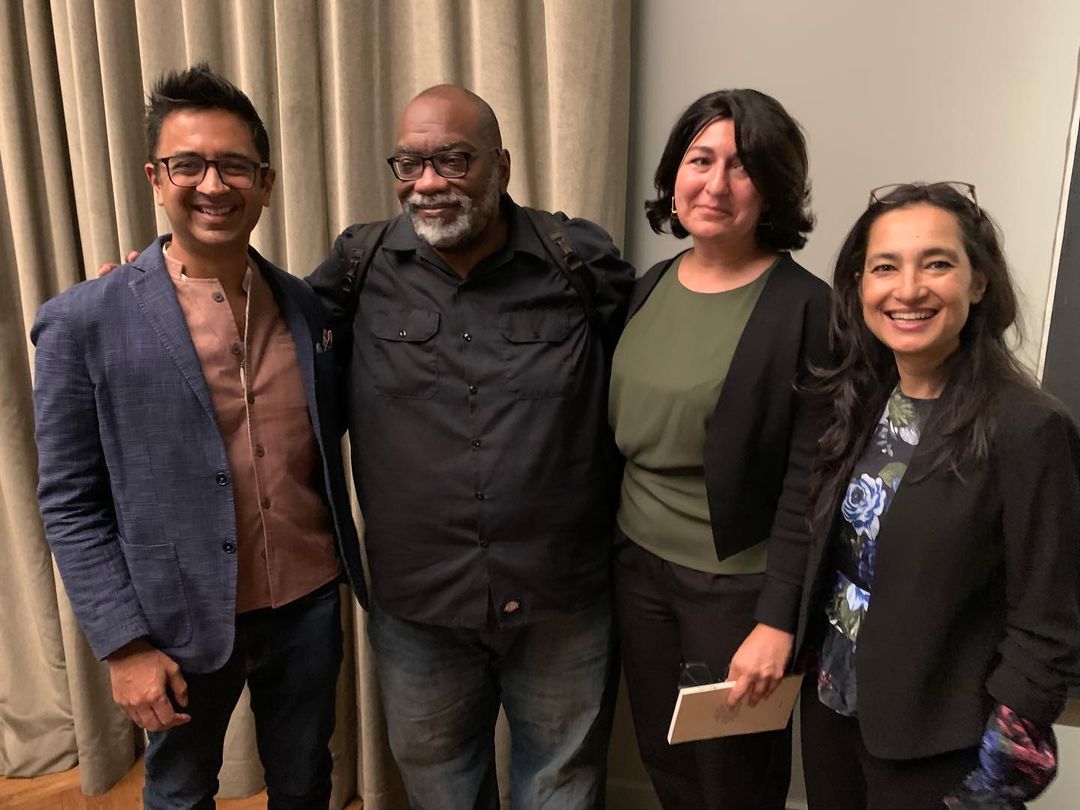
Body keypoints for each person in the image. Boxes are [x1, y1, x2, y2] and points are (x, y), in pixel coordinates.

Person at [32, 64, 365, 809]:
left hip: (307, 604)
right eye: (188, 164)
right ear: (156, 178)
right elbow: (70, 504)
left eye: (235, 166)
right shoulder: (84, 321)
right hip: (173, 620)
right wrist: (123, 646)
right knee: (179, 793)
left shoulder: (307, 309)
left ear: (266, 182)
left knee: (307, 783)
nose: (213, 185)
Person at [305, 85, 635, 809]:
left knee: (562, 788)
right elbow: (264, 335)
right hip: (418, 602)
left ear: (501, 165)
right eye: (410, 163)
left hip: (560, 594)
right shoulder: (359, 265)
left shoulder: (575, 258)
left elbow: (657, 351)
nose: (428, 183)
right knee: (441, 792)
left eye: (453, 160)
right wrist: (170, 285)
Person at [794, 182, 1080, 809]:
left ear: (979, 283)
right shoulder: (860, 400)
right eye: (885, 267)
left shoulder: (1029, 428)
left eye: (937, 264)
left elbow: (1048, 622)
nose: (908, 289)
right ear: (860, 287)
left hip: (940, 745)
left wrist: (997, 775)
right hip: (833, 710)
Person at [608, 88, 830, 809]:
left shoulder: (807, 309)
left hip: (736, 590)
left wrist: (777, 619)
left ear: (773, 189)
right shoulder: (650, 286)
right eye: (700, 160)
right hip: (638, 567)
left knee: (735, 779)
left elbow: (810, 480)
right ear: (675, 175)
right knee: (665, 759)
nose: (716, 183)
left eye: (743, 167)